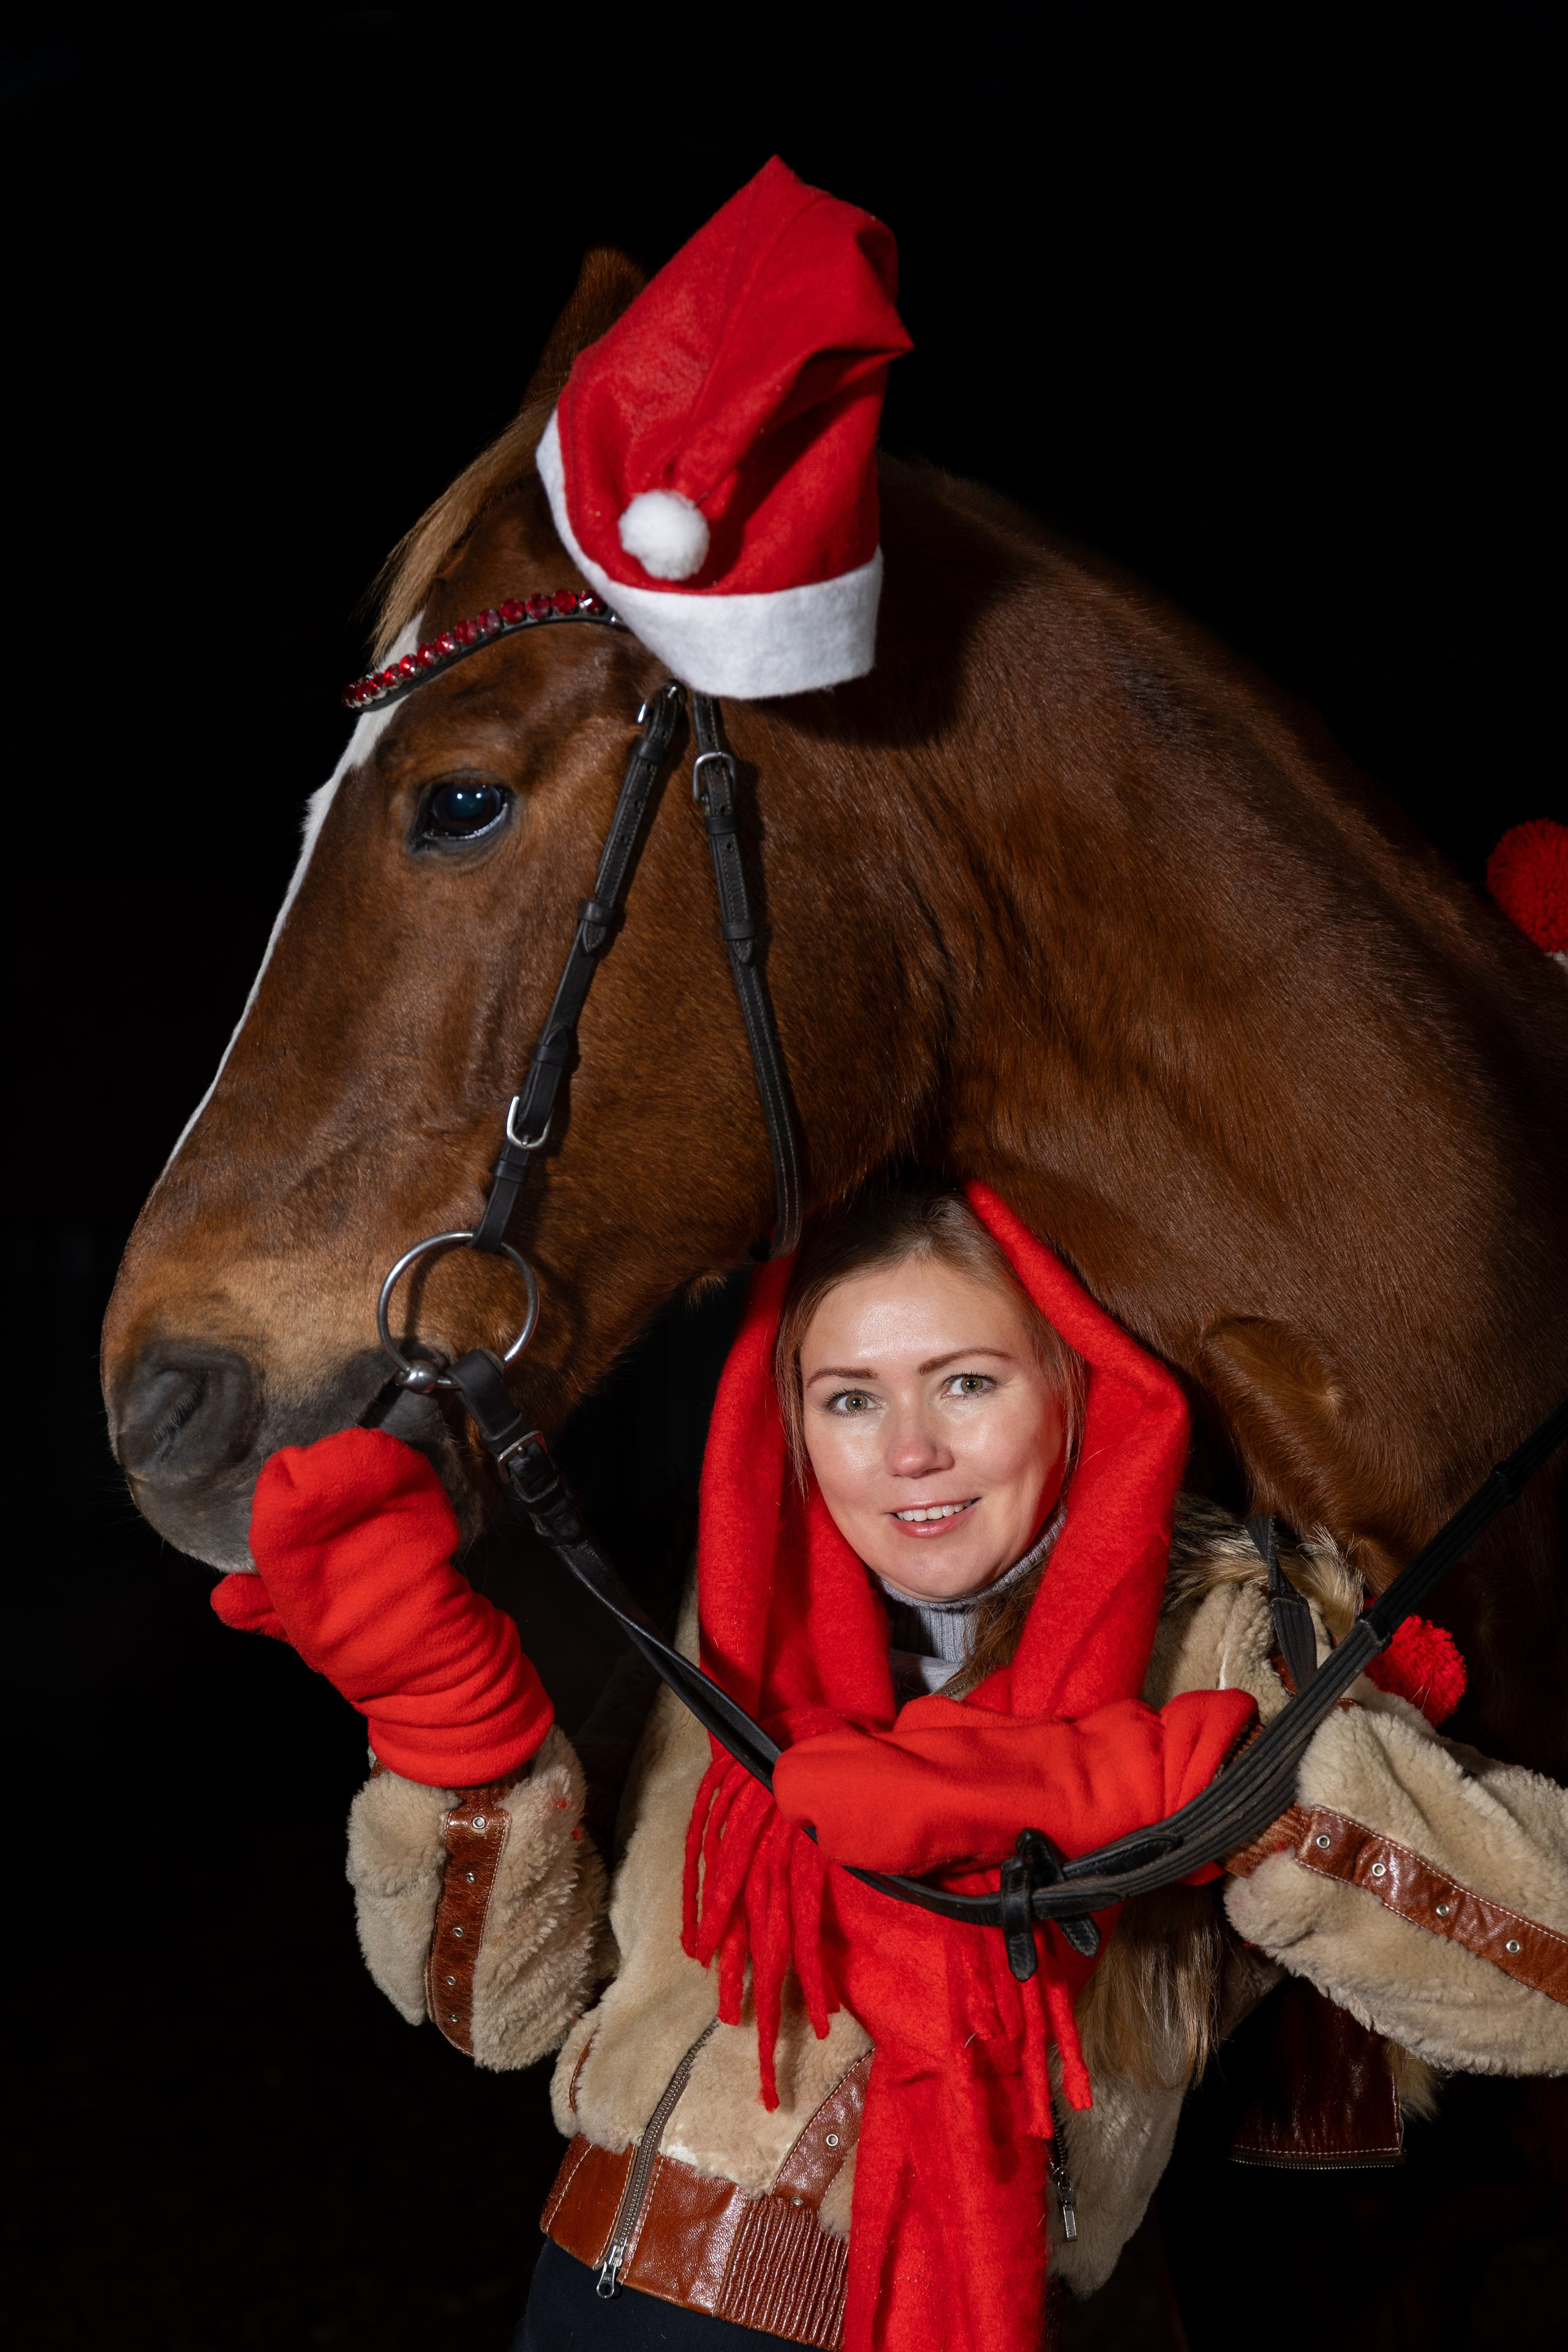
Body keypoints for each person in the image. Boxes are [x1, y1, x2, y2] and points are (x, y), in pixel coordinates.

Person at [215, 1179, 1568, 2352]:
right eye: (848, 1397)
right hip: (599, 2299)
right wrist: (454, 1730)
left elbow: (1543, 1972)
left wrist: (1186, 1795)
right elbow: (502, 2013)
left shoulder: (1221, 1636)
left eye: (964, 1382)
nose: (908, 1453)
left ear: (1074, 1388)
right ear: (786, 1423)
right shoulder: (742, 1625)